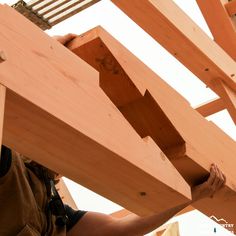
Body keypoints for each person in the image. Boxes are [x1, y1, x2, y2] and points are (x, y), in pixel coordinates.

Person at [0, 35, 226, 236]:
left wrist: (46, 52)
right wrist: (190, 197)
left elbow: (120, 230)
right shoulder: (48, 213)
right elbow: (121, 231)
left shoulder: (19, 177)